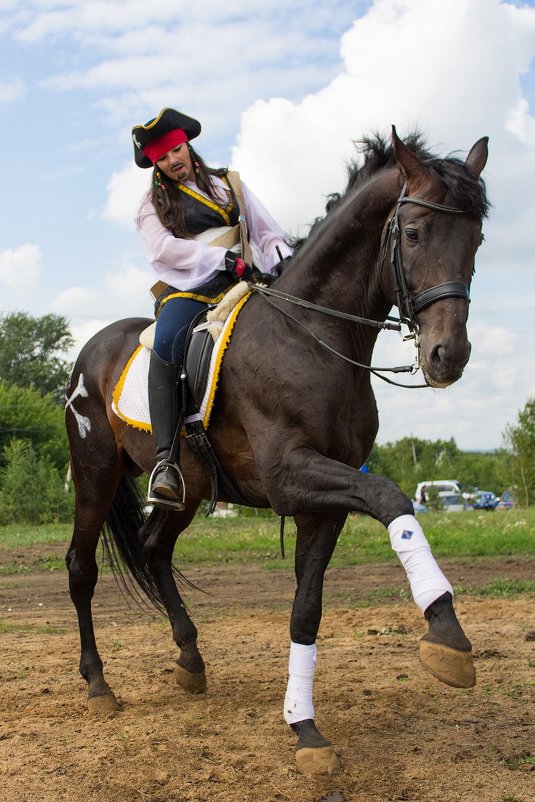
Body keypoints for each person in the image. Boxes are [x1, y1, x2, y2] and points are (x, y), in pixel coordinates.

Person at [132, 107, 292, 511]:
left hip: (247, 281)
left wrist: (282, 263)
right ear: (157, 164)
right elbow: (163, 250)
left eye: (176, 151)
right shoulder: (152, 204)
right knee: (166, 342)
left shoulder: (229, 184)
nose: (173, 161)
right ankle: (166, 462)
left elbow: (266, 231)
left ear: (187, 145)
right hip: (191, 289)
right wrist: (217, 260)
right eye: (163, 158)